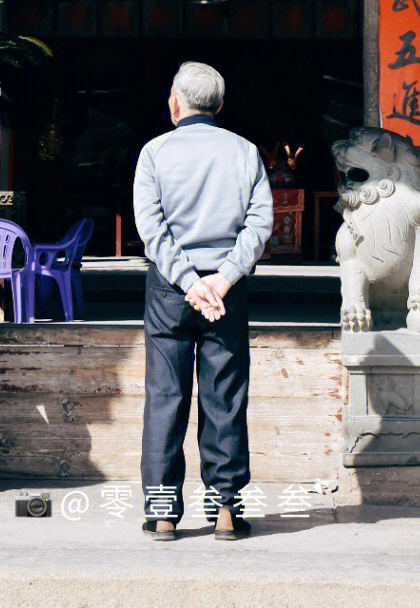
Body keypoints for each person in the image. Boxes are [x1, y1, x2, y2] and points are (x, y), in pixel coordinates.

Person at [132, 61, 274, 542]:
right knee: (225, 399)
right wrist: (222, 279)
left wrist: (189, 281)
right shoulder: (246, 152)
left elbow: (151, 229)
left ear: (175, 103)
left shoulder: (154, 153)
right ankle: (226, 513)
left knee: (165, 399)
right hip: (225, 296)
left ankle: (164, 515)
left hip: (171, 292)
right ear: (219, 105)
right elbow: (260, 225)